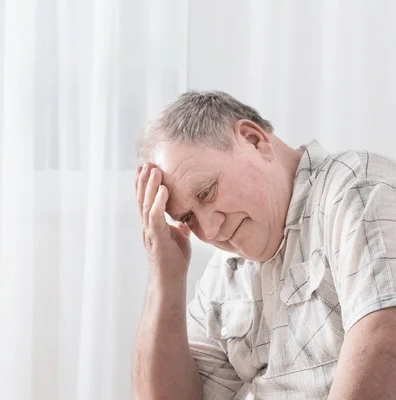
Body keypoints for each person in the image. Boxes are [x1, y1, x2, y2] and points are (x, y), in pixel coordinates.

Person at [131, 90, 396, 399]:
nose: (211, 229)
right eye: (188, 217)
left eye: (207, 193)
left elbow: (385, 343)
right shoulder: (225, 272)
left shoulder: (355, 189)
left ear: (254, 140)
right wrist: (165, 280)